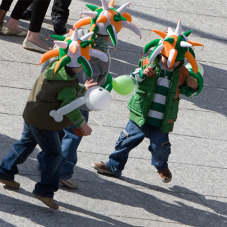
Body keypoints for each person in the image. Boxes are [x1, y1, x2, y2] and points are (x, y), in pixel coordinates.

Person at [37, 0, 141, 189]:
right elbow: (100, 77)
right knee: (74, 135)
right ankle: (64, 172)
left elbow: (54, 58)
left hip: (58, 94)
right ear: (112, 32)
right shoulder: (102, 53)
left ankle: (47, 162)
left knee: (56, 130)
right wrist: (102, 87)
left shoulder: (75, 39)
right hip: (81, 100)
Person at [92, 20, 204, 183]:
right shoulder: (148, 63)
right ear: (161, 53)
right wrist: (143, 74)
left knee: (160, 147)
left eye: (177, 61)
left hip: (162, 120)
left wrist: (195, 86)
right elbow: (133, 78)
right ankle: (113, 166)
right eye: (167, 59)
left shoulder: (182, 73)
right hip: (140, 114)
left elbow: (189, 91)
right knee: (126, 141)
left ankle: (161, 166)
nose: (172, 63)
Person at [0, 31, 101, 210]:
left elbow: (62, 88)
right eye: (83, 63)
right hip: (44, 123)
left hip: (32, 114)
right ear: (77, 64)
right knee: (54, 154)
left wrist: (81, 87)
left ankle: (5, 172)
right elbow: (70, 106)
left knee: (25, 144)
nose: (84, 67)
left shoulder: (55, 66)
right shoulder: (67, 86)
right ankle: (44, 190)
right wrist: (83, 125)